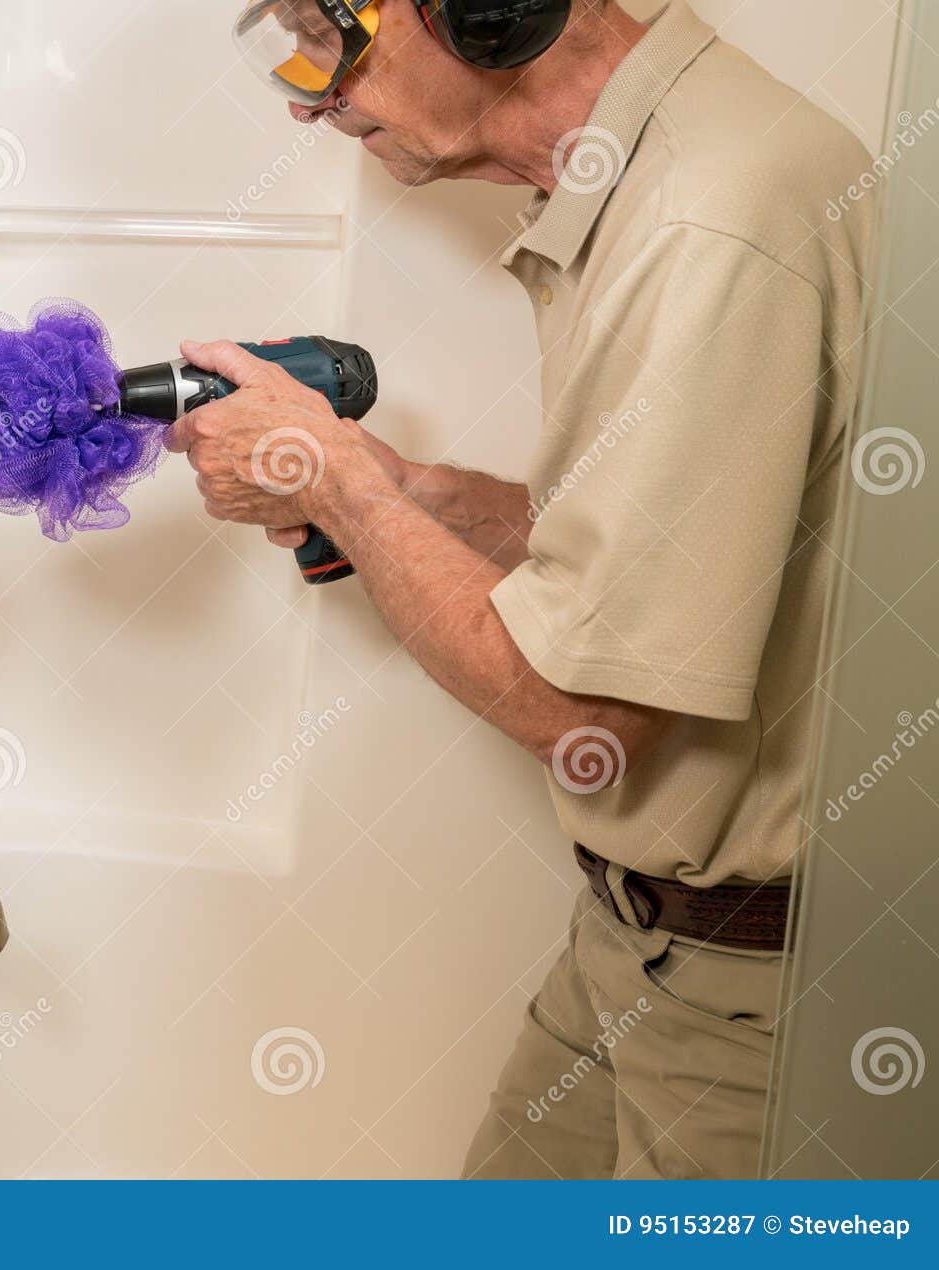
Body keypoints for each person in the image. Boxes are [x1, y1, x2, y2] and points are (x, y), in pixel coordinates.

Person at [179, 0, 875, 1178]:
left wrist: (341, 484)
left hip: (754, 999)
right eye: (281, 53)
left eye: (323, 36)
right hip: (636, 944)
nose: (306, 98)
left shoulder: (706, 221)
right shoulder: (646, 179)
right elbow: (643, 569)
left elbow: (584, 709)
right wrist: (416, 492)